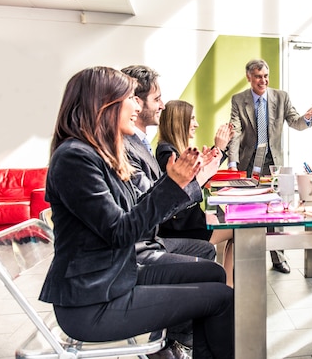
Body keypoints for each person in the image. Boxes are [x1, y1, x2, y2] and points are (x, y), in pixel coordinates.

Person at [39, 66, 234, 359]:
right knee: (222, 298)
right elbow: (121, 231)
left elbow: (135, 214)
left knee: (214, 273)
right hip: (94, 302)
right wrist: (173, 184)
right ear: (105, 104)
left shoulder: (97, 154)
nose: (137, 105)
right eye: (131, 98)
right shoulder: (74, 158)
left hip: (116, 278)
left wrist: (178, 183)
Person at [228, 58, 312, 274]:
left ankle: (278, 258)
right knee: (247, 209)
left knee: (275, 210)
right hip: (249, 161)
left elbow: (295, 123)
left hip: (273, 163)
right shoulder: (238, 100)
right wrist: (233, 164)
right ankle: (247, 256)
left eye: (265, 76)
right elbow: (235, 131)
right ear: (249, 78)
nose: (263, 81)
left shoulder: (281, 97)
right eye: (258, 77)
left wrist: (307, 118)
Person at [121, 64, 216, 261]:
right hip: (148, 242)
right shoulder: (139, 148)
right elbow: (152, 205)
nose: (162, 105)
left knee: (209, 253)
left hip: (154, 236)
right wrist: (197, 179)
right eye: (157, 99)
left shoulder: (143, 144)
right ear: (137, 103)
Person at [156, 99, 235, 287]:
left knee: (231, 228)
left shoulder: (169, 149)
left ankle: (226, 286)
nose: (196, 124)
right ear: (179, 121)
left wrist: (216, 153)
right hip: (182, 229)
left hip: (184, 224)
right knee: (238, 231)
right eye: (192, 119)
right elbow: (179, 197)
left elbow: (190, 184)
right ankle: (228, 289)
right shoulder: (168, 154)